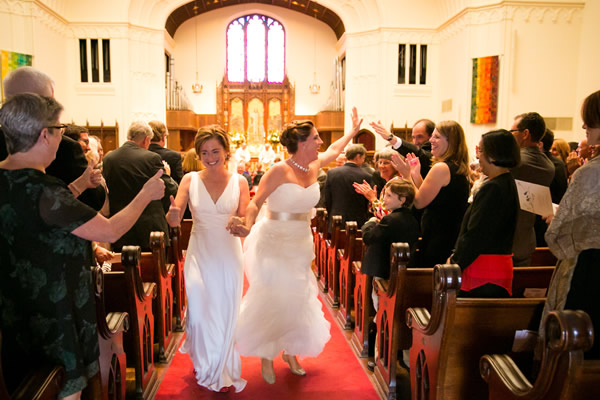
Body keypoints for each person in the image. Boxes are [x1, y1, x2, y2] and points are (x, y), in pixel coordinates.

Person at [0, 93, 165, 400]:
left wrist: (77, 185)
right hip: (54, 317)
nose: (62, 138)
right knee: (63, 391)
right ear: (43, 135)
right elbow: (111, 229)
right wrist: (146, 193)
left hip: (13, 316)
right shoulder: (43, 189)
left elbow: (38, 219)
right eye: (59, 131)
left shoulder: (15, 181)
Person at [229, 107, 363, 384]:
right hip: (274, 240)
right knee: (274, 296)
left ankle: (291, 352)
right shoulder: (279, 170)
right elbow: (255, 202)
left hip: (300, 242)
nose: (320, 143)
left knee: (297, 297)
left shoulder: (315, 166)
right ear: (301, 143)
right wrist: (248, 224)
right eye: (315, 138)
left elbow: (336, 149)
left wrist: (352, 131)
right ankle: (266, 354)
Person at [166, 125, 250, 392]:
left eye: (215, 151)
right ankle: (204, 362)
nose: (210, 156)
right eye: (204, 152)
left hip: (228, 252)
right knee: (200, 309)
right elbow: (176, 213)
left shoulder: (240, 182)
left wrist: (242, 226)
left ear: (226, 151)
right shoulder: (189, 180)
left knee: (225, 311)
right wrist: (172, 216)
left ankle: (222, 366)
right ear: (198, 154)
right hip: (199, 251)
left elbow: (245, 218)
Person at [540, 89, 600, 360]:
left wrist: (556, 219)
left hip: (589, 272)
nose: (585, 127)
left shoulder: (590, 174)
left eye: (590, 120)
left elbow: (558, 237)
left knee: (575, 354)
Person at [449, 130, 521, 297]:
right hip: (496, 269)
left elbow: (477, 233)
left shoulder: (493, 188)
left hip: (483, 272)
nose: (478, 156)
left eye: (480, 151)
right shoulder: (507, 181)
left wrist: (454, 262)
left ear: (493, 154)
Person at [393, 120, 470, 268]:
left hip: (438, 237)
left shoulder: (441, 168)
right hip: (448, 234)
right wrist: (416, 176)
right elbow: (431, 196)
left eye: (437, 137)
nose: (431, 141)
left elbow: (419, 202)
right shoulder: (456, 166)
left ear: (451, 141)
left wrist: (407, 176)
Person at [102, 121, 178, 252]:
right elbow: (170, 190)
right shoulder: (151, 158)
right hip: (149, 229)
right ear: (147, 139)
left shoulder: (109, 158)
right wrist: (168, 175)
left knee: (126, 269)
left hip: (120, 227)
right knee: (155, 271)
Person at [509, 112, 555, 266]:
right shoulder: (548, 165)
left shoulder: (515, 163)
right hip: (526, 239)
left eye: (512, 132)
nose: (510, 136)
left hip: (507, 240)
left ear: (525, 134)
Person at [360, 178, 420, 280]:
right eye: (385, 194)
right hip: (398, 270)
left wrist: (370, 223)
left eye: (389, 196)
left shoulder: (390, 219)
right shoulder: (411, 218)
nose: (384, 199)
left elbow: (368, 237)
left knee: (376, 295)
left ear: (402, 200)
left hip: (384, 270)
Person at [324, 143, 372, 233]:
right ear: (358, 156)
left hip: (336, 219)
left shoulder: (332, 173)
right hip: (357, 222)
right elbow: (367, 202)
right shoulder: (367, 176)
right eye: (363, 158)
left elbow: (327, 198)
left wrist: (331, 214)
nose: (363, 161)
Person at [353, 147, 399, 220]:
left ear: (395, 166)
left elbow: (385, 216)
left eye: (386, 163)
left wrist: (373, 199)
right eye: (380, 162)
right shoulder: (389, 183)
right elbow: (376, 212)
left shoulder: (396, 184)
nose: (381, 166)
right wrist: (371, 197)